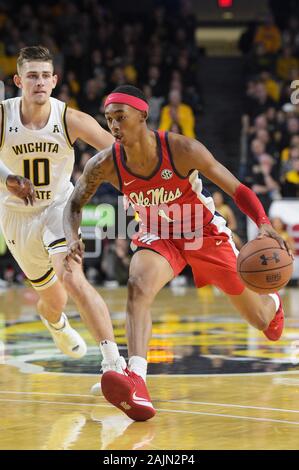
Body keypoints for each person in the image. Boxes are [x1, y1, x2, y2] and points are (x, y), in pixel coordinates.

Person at [63, 85, 291, 422]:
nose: (113, 126)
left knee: (262, 322)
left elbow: (237, 188)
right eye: (109, 119)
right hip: (159, 234)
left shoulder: (182, 149)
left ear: (143, 116)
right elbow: (74, 204)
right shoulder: (105, 163)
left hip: (203, 233)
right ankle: (137, 378)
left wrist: (262, 222)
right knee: (138, 286)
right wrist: (72, 237)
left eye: (120, 118)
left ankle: (270, 302)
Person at [0, 46, 125, 372]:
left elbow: (120, 154)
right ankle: (56, 324)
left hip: (60, 208)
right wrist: (7, 177)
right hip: (17, 217)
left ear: (54, 81)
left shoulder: (70, 119)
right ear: (18, 80)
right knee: (55, 302)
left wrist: (144, 192)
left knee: (72, 277)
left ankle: (114, 363)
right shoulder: (3, 117)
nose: (39, 82)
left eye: (44, 76)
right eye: (32, 76)